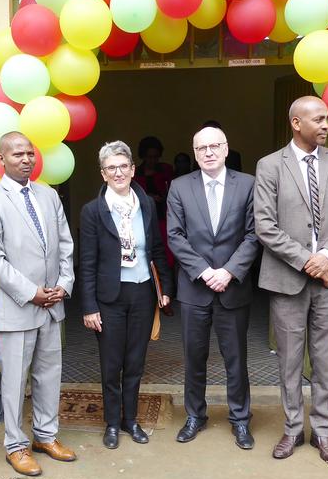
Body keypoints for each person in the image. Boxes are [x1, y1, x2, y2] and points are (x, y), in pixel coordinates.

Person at [254, 96, 328, 465]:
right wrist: (309, 262)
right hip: (287, 280)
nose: (326, 125)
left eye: (327, 119)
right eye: (318, 119)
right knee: (289, 360)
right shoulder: (270, 166)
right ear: (296, 123)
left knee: (325, 359)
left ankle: (323, 433)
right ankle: (292, 430)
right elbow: (265, 226)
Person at [0, 131, 75, 477]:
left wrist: (64, 284)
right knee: (15, 382)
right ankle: (15, 446)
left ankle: (46, 436)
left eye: (29, 153)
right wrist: (32, 292)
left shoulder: (48, 195)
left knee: (49, 375)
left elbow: (65, 243)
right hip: (17, 308)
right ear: (1, 160)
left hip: (52, 305)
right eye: (17, 154)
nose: (26, 159)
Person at [166, 125, 261, 449]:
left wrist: (230, 272)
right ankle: (195, 415)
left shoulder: (247, 184)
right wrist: (205, 272)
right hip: (195, 289)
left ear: (225, 148)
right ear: (195, 153)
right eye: (201, 148)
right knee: (194, 357)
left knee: (236, 359)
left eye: (214, 146)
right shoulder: (179, 187)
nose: (208, 152)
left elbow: (254, 234)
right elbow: (175, 236)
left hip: (233, 289)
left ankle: (240, 420)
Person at [79, 141, 174, 450]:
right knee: (111, 364)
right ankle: (111, 423)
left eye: (123, 166)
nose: (118, 172)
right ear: (103, 174)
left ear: (133, 170)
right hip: (109, 298)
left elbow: (158, 249)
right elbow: (88, 261)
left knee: (135, 361)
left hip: (143, 293)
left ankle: (130, 420)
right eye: (111, 168)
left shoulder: (146, 203)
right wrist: (89, 306)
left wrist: (165, 290)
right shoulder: (93, 211)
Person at [133, 136, 174, 271]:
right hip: (143, 216)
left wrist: (163, 198)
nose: (152, 160)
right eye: (149, 157)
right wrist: (148, 197)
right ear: (143, 156)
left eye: (155, 157)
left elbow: (173, 192)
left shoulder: (166, 170)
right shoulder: (136, 173)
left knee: (166, 251)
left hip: (163, 215)